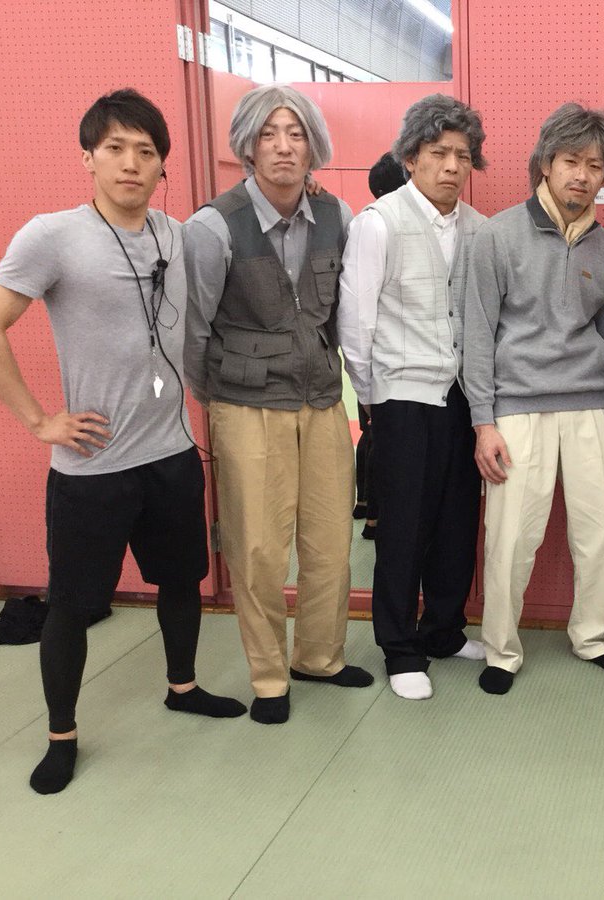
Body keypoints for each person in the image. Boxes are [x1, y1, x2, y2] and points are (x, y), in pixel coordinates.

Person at [0, 89, 245, 794]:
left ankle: (182, 687)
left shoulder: (176, 235)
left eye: (146, 151)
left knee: (181, 581)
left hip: (171, 454)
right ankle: (61, 736)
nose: (131, 163)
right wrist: (40, 421)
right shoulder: (52, 235)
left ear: (162, 166)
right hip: (91, 467)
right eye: (115, 148)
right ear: (88, 158)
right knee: (71, 603)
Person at [183, 84, 373, 726]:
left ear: (313, 145)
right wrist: (219, 400)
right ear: (248, 145)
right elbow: (193, 333)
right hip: (245, 405)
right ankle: (269, 678)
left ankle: (319, 657)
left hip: (320, 399)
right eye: (269, 134)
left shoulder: (338, 216)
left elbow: (343, 313)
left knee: (330, 541)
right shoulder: (213, 227)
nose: (284, 147)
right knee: (259, 548)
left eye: (296, 134)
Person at [463, 102, 604, 695]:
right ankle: (501, 651)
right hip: (516, 409)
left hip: (589, 408)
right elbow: (477, 335)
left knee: (601, 532)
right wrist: (483, 423)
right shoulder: (497, 235)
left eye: (595, 166)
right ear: (545, 163)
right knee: (511, 538)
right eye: (570, 161)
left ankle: (593, 638)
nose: (582, 176)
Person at [337, 95, 488, 700]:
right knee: (403, 527)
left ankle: (443, 631)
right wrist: (372, 399)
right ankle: (400, 648)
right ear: (410, 157)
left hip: (463, 396)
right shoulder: (378, 223)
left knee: (457, 522)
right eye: (438, 152)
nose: (451, 166)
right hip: (400, 397)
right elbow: (356, 320)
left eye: (462, 155)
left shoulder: (479, 228)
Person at [352, 151, 408, 539]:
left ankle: (365, 506)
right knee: (377, 441)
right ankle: (373, 517)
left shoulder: (368, 223)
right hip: (379, 364)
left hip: (369, 362)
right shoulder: (378, 228)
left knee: (369, 437)